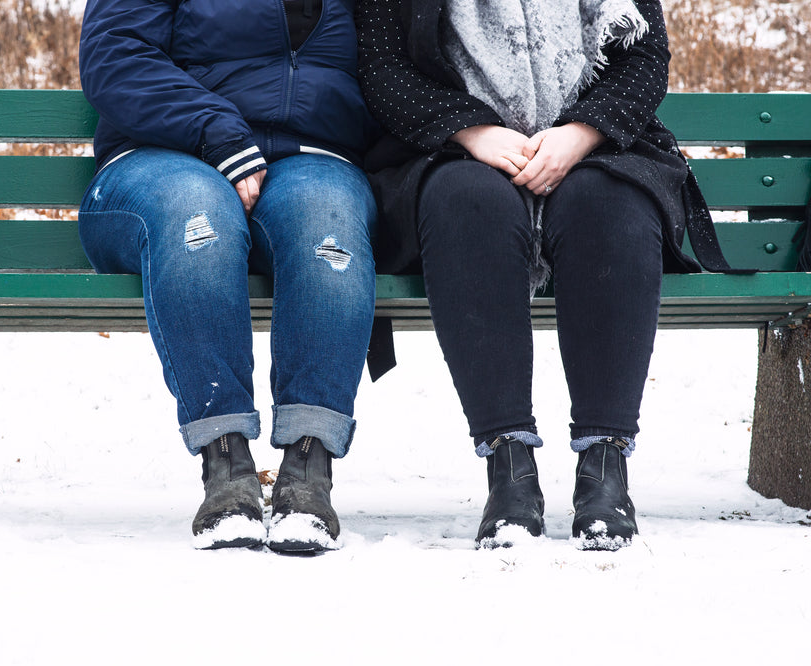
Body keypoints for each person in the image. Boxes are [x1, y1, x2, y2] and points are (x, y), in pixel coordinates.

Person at [356, 0, 734, 550]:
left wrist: (580, 133)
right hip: (451, 151)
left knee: (608, 202)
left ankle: (605, 471)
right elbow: (384, 70)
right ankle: (509, 471)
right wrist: (472, 133)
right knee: (469, 200)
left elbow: (645, 56)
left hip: (599, 145)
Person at [78, 0, 379, 552]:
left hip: (310, 158)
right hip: (161, 156)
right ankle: (226, 465)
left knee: (326, 224)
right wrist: (214, 129)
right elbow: (114, 54)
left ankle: (308, 471)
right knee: (199, 216)